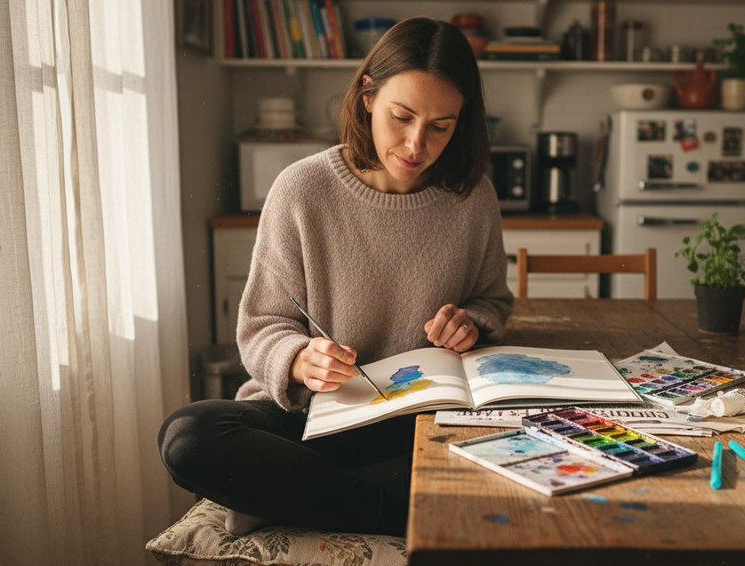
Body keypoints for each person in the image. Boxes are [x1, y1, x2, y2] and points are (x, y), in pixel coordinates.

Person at [158, 17, 513, 537]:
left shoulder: (473, 198)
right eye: (402, 116)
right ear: (368, 96)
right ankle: (394, 512)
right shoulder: (302, 189)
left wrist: (471, 323)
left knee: (513, 447)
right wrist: (300, 360)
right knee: (186, 436)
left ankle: (295, 496)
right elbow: (262, 326)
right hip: (311, 418)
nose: (417, 144)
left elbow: (492, 302)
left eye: (441, 126)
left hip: (414, 424)